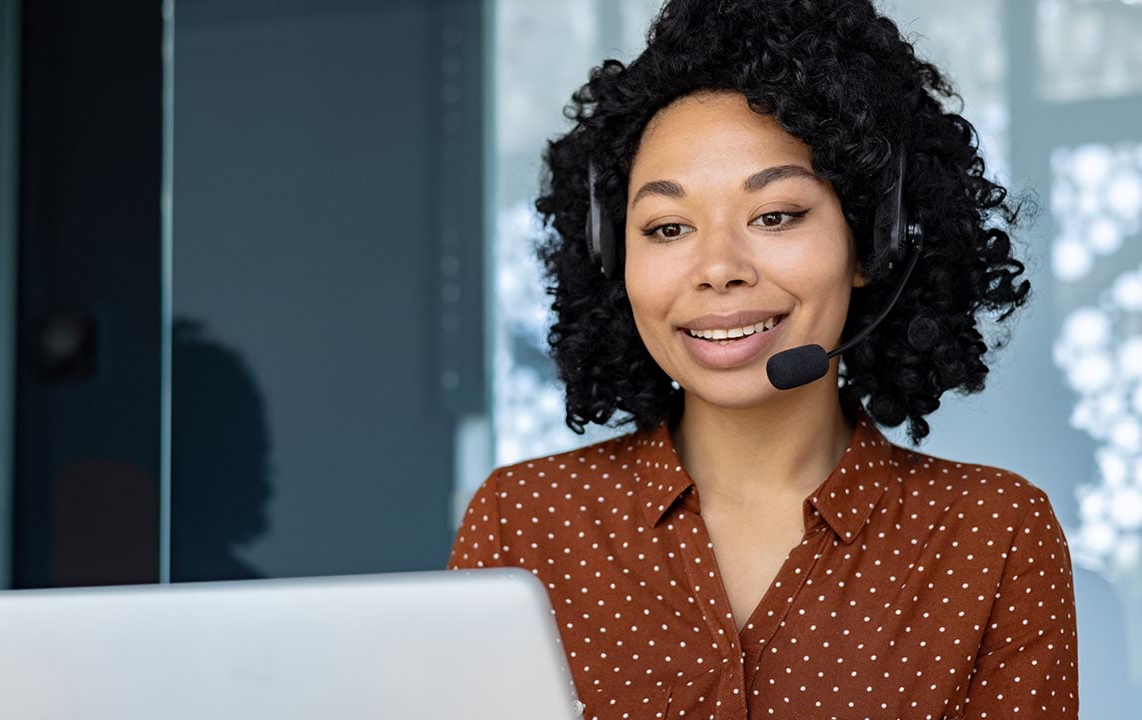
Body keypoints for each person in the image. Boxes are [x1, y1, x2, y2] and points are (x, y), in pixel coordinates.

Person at [447, 1, 1078, 719]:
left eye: (774, 215)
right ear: (616, 258)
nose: (718, 268)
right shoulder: (523, 521)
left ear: (872, 243)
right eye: (668, 226)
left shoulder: (991, 534)